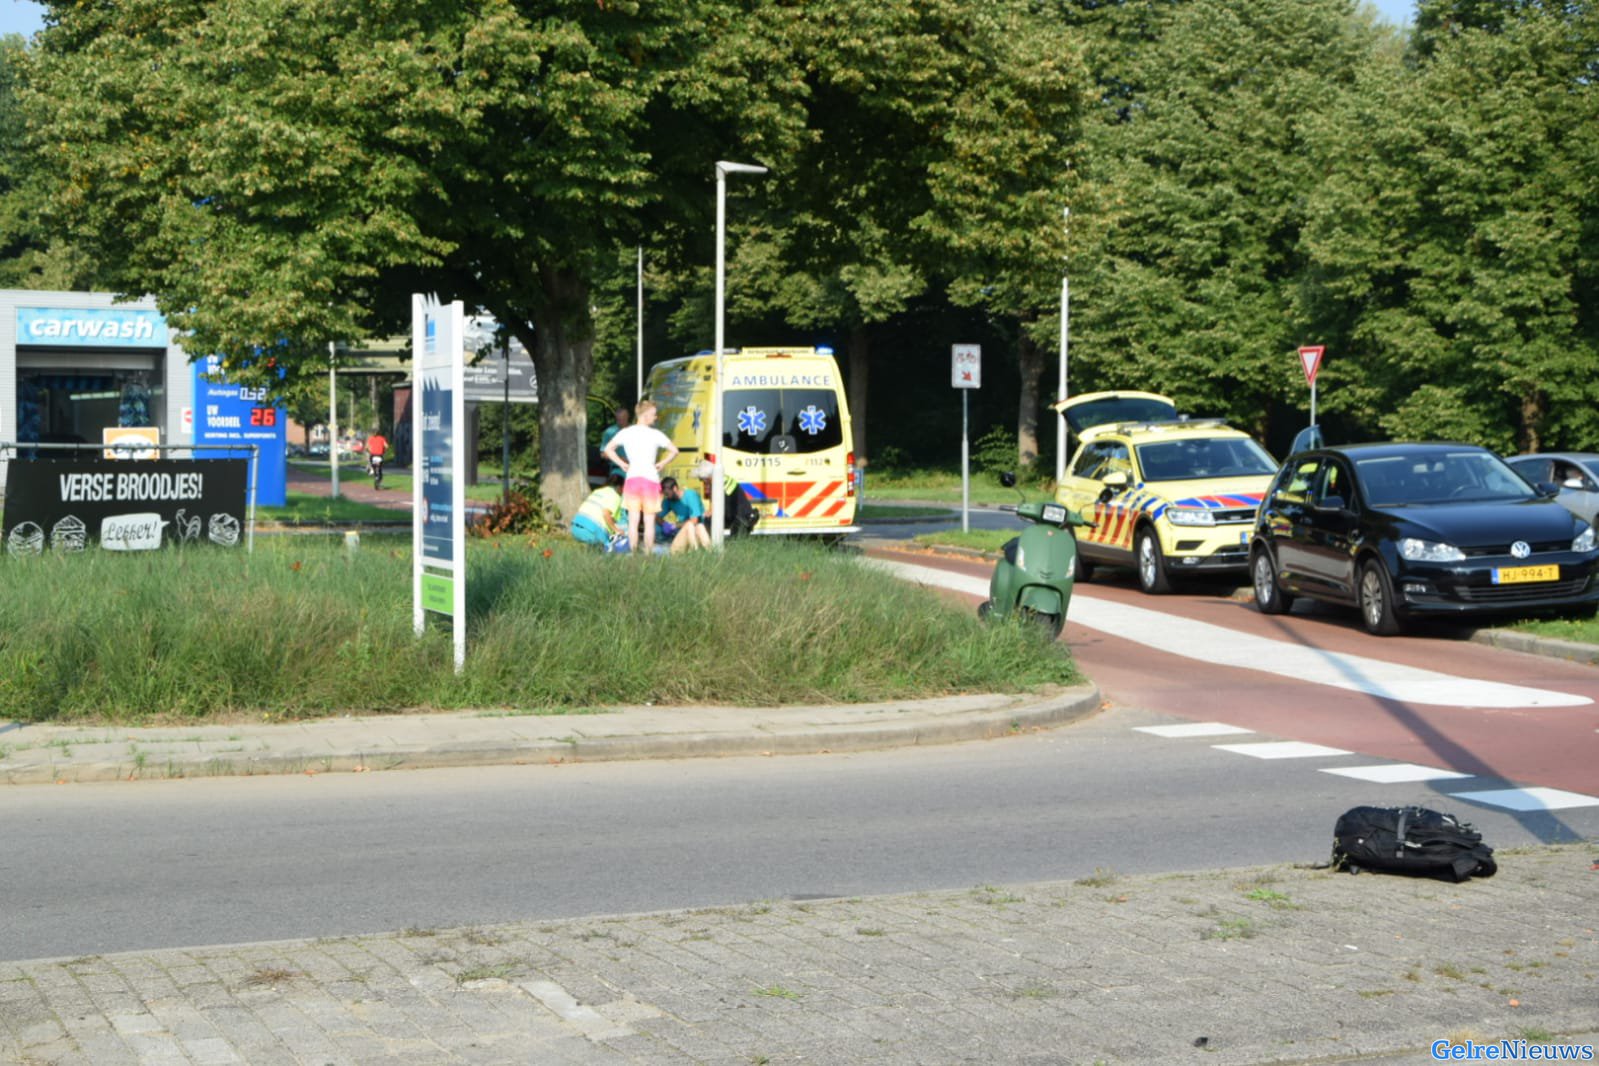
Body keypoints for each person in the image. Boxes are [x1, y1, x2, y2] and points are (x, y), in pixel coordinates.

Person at [602, 400, 678, 556]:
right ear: (645, 415)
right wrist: (662, 463)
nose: (656, 417)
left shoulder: (626, 432)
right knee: (649, 522)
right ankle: (648, 555)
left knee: (633, 521)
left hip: (632, 480)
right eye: (654, 414)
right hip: (650, 480)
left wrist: (622, 464)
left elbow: (608, 449)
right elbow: (674, 451)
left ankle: (633, 554)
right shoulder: (656, 434)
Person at [696, 459, 759, 537]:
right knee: (707, 520)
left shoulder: (720, 483)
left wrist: (708, 514)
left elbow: (717, 508)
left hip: (741, 518)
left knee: (736, 541)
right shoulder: (720, 479)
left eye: (703, 479)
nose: (703, 482)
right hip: (737, 515)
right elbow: (713, 505)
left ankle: (709, 542)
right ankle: (711, 542)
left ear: (709, 477)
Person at [571, 472, 626, 550]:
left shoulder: (597, 491)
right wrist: (616, 530)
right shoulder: (615, 496)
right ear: (621, 487)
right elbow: (606, 513)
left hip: (575, 527)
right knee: (611, 548)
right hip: (591, 531)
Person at [658, 476, 711, 553]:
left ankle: (710, 552)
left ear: (675, 488)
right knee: (690, 526)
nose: (666, 496)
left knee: (698, 526)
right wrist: (664, 524)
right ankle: (696, 552)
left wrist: (674, 526)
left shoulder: (690, 495)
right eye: (664, 494)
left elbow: (695, 520)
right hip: (681, 539)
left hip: (696, 532)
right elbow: (656, 516)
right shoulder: (669, 500)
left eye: (667, 493)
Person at [599, 406, 631, 478]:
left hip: (635, 469)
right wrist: (621, 459)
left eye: (623, 419)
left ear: (628, 417)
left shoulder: (635, 431)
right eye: (619, 419)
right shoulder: (609, 432)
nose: (621, 422)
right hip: (617, 469)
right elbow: (603, 454)